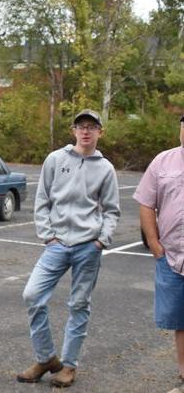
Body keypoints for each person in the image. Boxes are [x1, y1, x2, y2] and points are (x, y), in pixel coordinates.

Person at [16, 109, 120, 388]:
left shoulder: (105, 169)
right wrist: (48, 236)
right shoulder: (55, 160)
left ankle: (69, 366)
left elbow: (111, 210)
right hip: (57, 244)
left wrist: (101, 240)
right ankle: (47, 358)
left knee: (79, 304)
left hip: (89, 246)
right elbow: (42, 200)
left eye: (92, 126)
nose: (86, 131)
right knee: (32, 295)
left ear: (100, 132)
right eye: (81, 126)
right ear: (74, 131)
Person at [133, 114, 184, 393]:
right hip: (173, 256)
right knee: (180, 321)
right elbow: (145, 202)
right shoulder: (163, 161)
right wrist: (154, 243)